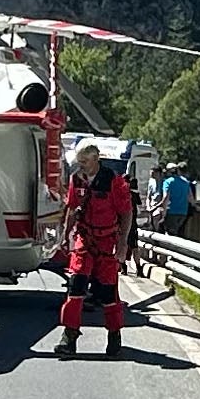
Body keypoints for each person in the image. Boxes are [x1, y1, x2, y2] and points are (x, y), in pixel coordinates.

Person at [58, 145, 138, 358]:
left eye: (84, 162)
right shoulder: (77, 180)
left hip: (107, 242)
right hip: (85, 240)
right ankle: (69, 336)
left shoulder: (113, 181)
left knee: (108, 292)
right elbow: (72, 208)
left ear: (96, 159)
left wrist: (122, 244)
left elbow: (126, 213)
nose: (81, 166)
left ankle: (114, 335)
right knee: (76, 287)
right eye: (79, 162)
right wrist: (65, 235)